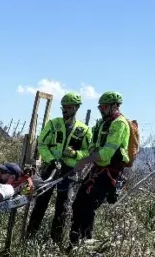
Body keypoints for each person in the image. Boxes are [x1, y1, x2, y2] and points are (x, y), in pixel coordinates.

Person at [25, 93, 93, 244]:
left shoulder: (84, 130)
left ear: (76, 108)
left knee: (62, 206)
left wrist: (75, 153)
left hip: (68, 172)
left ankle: (56, 241)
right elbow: (42, 144)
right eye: (64, 107)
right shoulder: (53, 124)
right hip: (51, 168)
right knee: (41, 202)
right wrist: (51, 159)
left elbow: (89, 152)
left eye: (69, 107)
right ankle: (29, 237)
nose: (65, 110)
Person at [69, 91, 132, 246]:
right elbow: (94, 145)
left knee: (88, 207)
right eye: (100, 107)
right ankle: (73, 243)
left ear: (114, 106)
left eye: (104, 107)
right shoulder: (103, 122)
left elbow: (106, 153)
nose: (101, 110)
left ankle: (84, 245)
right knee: (78, 204)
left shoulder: (119, 124)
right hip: (97, 169)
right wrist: (87, 156)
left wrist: (84, 161)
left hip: (110, 172)